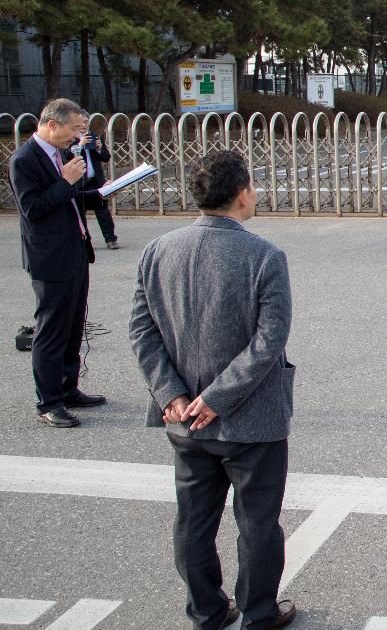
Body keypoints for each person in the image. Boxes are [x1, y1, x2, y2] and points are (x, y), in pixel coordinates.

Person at [129, 150, 297, 629]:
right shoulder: (264, 256)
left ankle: (205, 610)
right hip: (250, 420)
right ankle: (258, 613)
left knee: (194, 519)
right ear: (242, 192)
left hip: (183, 420)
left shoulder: (158, 251)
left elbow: (142, 331)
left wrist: (172, 394)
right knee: (258, 522)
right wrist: (218, 397)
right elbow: (269, 341)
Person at [8, 98, 105, 428]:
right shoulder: (24, 160)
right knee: (51, 330)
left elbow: (70, 199)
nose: (78, 137)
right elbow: (33, 208)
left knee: (74, 325)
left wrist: (100, 193)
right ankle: (49, 402)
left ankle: (67, 387)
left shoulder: (62, 154)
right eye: (75, 129)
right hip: (49, 257)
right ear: (52, 124)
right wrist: (65, 181)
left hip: (75, 249)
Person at [68, 113, 119, 249]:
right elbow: (66, 156)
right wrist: (80, 144)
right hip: (80, 180)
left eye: (86, 122)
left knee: (103, 210)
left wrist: (99, 147)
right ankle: (83, 240)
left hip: (95, 179)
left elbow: (105, 157)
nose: (84, 125)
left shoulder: (94, 136)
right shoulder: (71, 139)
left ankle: (110, 239)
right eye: (81, 122)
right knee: (80, 211)